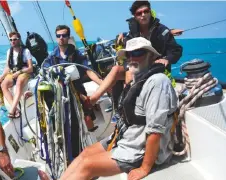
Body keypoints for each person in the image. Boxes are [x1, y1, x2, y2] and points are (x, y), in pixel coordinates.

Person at [59, 37, 178, 180]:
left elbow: (155, 132)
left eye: (138, 52)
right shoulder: (138, 78)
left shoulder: (157, 82)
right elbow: (117, 74)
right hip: (126, 136)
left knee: (87, 165)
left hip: (139, 148)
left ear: (151, 56)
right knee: (85, 154)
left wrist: (144, 168)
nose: (132, 58)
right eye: (129, 54)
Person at [90, 0, 182, 114]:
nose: (143, 15)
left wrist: (166, 59)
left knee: (130, 72)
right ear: (135, 16)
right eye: (139, 13)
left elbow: (176, 50)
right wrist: (122, 35)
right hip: (137, 64)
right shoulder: (133, 30)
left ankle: (130, 109)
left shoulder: (162, 31)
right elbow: (128, 45)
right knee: (116, 69)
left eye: (146, 11)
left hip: (154, 67)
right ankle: (94, 99)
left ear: (150, 12)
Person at [43, 25, 103, 132]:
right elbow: (45, 71)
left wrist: (101, 83)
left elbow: (87, 70)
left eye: (64, 35)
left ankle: (92, 134)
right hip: (61, 92)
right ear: (56, 37)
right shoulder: (52, 56)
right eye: (58, 35)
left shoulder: (76, 54)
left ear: (68, 37)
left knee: (87, 114)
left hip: (77, 89)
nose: (61, 37)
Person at [0, 31, 34, 118]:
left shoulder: (26, 51)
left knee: (19, 83)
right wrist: (1, 78)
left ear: (19, 40)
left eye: (15, 39)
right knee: (3, 85)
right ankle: (16, 109)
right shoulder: (9, 51)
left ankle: (12, 110)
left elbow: (30, 68)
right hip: (13, 72)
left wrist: (19, 72)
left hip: (23, 72)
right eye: (11, 40)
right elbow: (8, 67)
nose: (13, 41)